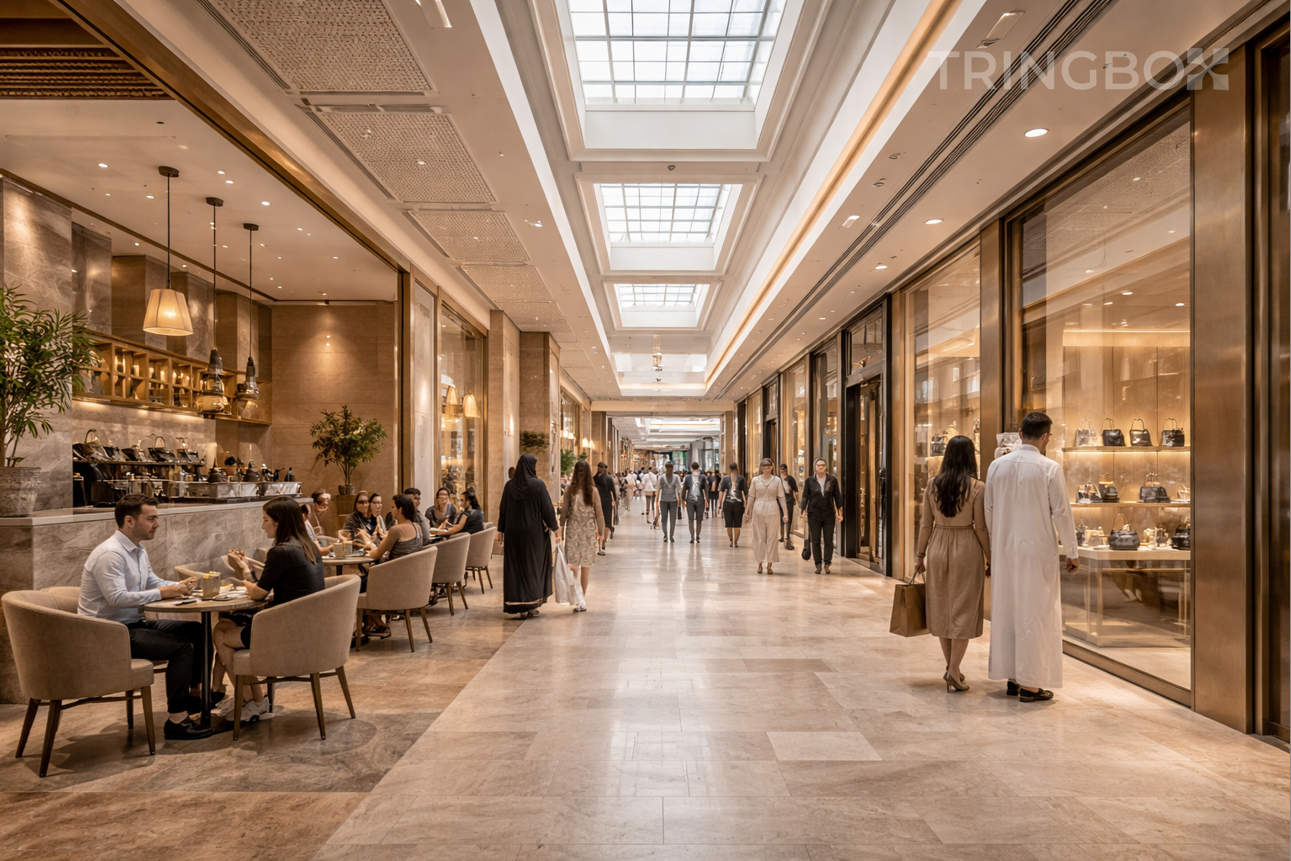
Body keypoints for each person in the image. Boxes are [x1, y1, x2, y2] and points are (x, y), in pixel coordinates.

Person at [78, 494, 213, 740]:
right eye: (151, 519)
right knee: (182, 648)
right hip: (108, 633)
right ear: (129, 521)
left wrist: (180, 585)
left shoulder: (137, 551)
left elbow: (152, 581)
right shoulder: (110, 554)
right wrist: (163, 592)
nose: (157, 524)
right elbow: (116, 598)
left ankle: (194, 696)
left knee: (197, 630)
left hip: (132, 624)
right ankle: (177, 721)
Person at [985, 410, 1078, 703]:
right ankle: (1031, 684)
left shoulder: (996, 466)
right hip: (1037, 551)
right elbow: (1062, 513)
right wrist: (1072, 552)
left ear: (1021, 433)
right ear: (1045, 436)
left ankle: (1012, 677)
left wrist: (995, 543)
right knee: (1035, 614)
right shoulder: (1049, 468)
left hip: (1004, 550)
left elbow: (988, 511)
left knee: (1009, 610)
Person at [213, 496, 325, 722]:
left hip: (284, 635)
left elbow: (258, 593)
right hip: (309, 631)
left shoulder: (281, 551)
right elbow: (267, 584)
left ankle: (248, 701)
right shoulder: (308, 546)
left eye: (265, 520)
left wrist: (242, 581)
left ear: (279, 522)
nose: (261, 525)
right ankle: (256, 700)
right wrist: (245, 568)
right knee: (222, 626)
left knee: (222, 637)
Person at [914, 436, 990, 692]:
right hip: (966, 547)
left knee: (941, 605)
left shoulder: (932, 484)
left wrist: (919, 556)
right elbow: (980, 527)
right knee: (963, 609)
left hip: (937, 546)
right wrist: (990, 555)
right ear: (971, 457)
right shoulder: (977, 487)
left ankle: (952, 668)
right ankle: (954, 669)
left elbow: (925, 524)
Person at [498, 453, 559, 619]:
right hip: (533, 535)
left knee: (515, 567)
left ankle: (518, 606)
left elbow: (503, 509)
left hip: (512, 534)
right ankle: (531, 605)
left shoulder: (509, 485)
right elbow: (547, 509)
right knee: (533, 567)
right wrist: (555, 528)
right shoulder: (538, 485)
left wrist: (500, 531)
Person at [559, 459, 602, 611]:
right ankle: (578, 596)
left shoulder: (593, 491)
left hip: (588, 532)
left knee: (586, 566)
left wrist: (601, 532)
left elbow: (599, 512)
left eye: (582, 471)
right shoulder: (570, 490)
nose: (581, 474)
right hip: (573, 530)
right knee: (573, 566)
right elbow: (564, 510)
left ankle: (581, 598)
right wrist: (561, 529)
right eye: (578, 471)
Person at [801, 458, 844, 574]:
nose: (821, 467)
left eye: (823, 465)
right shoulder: (809, 481)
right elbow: (805, 496)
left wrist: (840, 512)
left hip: (829, 513)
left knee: (828, 540)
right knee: (815, 540)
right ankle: (818, 564)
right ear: (815, 467)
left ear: (826, 467)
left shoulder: (832, 480)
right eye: (819, 465)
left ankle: (827, 563)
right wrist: (803, 510)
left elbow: (837, 496)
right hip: (814, 513)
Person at [745, 458, 787, 573]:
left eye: (768, 467)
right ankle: (759, 563)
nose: (766, 469)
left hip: (773, 509)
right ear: (761, 468)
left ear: (772, 467)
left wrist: (785, 513)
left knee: (772, 538)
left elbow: (781, 497)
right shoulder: (755, 480)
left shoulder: (777, 480)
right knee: (758, 538)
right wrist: (747, 511)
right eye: (763, 467)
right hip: (758, 510)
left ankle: (769, 564)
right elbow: (751, 497)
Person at [718, 462, 746, 547]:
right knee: (737, 523)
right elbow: (744, 492)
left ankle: (731, 541)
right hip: (739, 503)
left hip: (728, 503)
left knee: (729, 523)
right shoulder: (741, 479)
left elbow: (721, 492)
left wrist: (720, 504)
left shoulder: (725, 479)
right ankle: (735, 542)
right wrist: (745, 503)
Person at [657, 462, 683, 543]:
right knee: (672, 519)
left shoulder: (661, 477)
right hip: (673, 500)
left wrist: (656, 501)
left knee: (664, 519)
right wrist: (680, 501)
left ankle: (665, 535)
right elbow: (679, 489)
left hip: (663, 500)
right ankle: (671, 536)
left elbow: (658, 490)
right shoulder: (676, 477)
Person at [594, 462, 617, 553]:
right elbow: (613, 492)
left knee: (597, 521)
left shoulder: (594, 478)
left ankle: (598, 541)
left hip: (596, 502)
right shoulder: (609, 478)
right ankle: (603, 543)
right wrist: (615, 501)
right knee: (607, 522)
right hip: (607, 502)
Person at [683, 462, 707, 543]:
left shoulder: (688, 477)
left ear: (691, 468)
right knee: (699, 519)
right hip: (700, 499)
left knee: (691, 519)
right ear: (698, 467)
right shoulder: (703, 477)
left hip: (690, 499)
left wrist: (683, 499)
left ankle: (692, 536)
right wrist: (707, 499)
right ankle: (697, 535)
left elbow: (684, 488)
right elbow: (706, 489)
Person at [779, 464, 799, 551]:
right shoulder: (777, 479)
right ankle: (782, 536)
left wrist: (798, 501)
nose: (783, 471)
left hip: (789, 500)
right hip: (779, 500)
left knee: (788, 518)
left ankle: (787, 536)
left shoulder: (790, 479)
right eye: (781, 470)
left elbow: (796, 490)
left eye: (784, 470)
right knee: (781, 518)